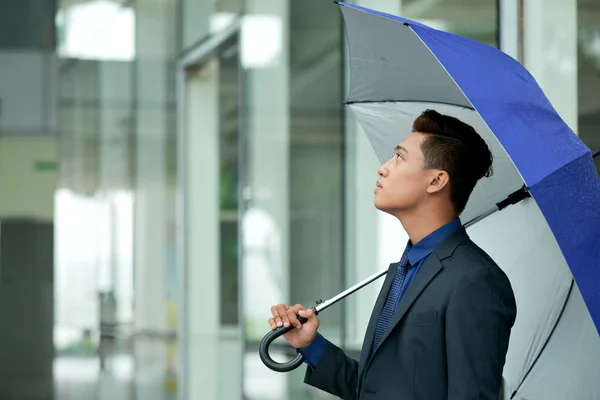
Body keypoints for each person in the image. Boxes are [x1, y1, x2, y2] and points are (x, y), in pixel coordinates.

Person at [268, 109, 517, 399]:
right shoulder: (404, 268)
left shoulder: (476, 281)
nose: (383, 168)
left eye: (399, 157)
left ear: (436, 181)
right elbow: (374, 389)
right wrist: (311, 345)